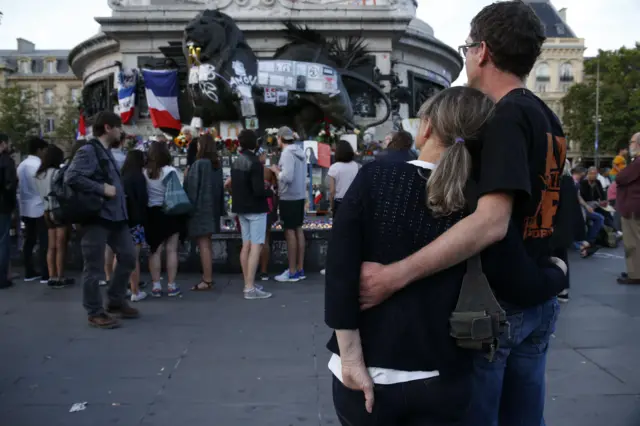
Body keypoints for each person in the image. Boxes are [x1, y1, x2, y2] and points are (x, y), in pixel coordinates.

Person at [357, 3, 567, 425]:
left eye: (467, 47)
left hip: (497, 306)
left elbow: (491, 222)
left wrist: (396, 274)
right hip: (538, 298)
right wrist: (557, 273)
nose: (467, 55)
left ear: (482, 51)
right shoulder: (547, 117)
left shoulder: (504, 117)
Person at [65, 111, 138, 329]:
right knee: (94, 268)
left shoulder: (104, 151)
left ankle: (115, 300)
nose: (120, 132)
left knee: (128, 256)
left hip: (115, 217)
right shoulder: (89, 150)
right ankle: (94, 311)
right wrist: (101, 189)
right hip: (97, 216)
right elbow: (72, 176)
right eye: (118, 128)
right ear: (108, 128)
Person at [229, 130, 274, 299]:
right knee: (256, 246)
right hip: (255, 209)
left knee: (246, 245)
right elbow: (257, 190)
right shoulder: (255, 163)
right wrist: (269, 192)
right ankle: (249, 287)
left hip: (241, 208)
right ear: (254, 143)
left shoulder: (237, 161)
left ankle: (248, 282)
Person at [184, 134, 225, 291]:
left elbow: (191, 190)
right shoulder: (216, 165)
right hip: (212, 209)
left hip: (200, 210)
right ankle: (208, 278)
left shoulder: (199, 164)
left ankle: (207, 279)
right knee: (207, 243)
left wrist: (186, 178)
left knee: (204, 246)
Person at [144, 141, 185, 298]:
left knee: (155, 250)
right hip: (170, 211)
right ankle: (171, 285)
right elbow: (178, 190)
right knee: (172, 250)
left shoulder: (145, 172)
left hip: (153, 212)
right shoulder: (170, 171)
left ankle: (155, 285)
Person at [271, 126, 307, 283]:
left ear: (280, 138)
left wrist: (275, 171)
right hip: (299, 195)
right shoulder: (299, 151)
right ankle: (299, 268)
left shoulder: (286, 154)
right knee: (298, 229)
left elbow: (287, 177)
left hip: (288, 197)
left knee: (289, 232)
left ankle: (292, 271)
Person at [34, 145, 71, 289]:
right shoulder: (56, 173)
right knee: (61, 246)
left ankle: (51, 275)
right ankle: (60, 276)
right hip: (58, 210)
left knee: (51, 246)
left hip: (45, 210)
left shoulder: (39, 174)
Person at [17, 136, 49, 282]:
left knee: (29, 240)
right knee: (44, 241)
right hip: (39, 206)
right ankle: (45, 272)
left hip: (25, 206)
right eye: (44, 150)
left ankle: (29, 271)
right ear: (39, 150)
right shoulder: (38, 165)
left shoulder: (21, 165)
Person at [121, 150, 149, 302]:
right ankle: (135, 290)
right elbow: (143, 199)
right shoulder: (139, 177)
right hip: (135, 222)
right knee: (134, 258)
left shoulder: (122, 176)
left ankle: (120, 287)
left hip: (121, 221)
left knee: (120, 257)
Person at [616, 132, 640, 285]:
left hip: (632, 205)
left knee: (632, 242)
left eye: (632, 141)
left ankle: (635, 274)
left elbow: (621, 177)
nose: (630, 145)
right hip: (636, 205)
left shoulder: (637, 162)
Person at [258, 148, 278, 282]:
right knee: (265, 239)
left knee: (249, 241)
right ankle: (264, 271)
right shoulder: (268, 171)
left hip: (250, 206)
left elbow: (228, 184)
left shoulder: (246, 170)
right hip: (267, 207)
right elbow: (276, 190)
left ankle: (249, 270)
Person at [0, 133, 17, 289]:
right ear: (3, 144)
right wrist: (12, 206)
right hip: (3, 206)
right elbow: (10, 185)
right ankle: (2, 277)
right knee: (3, 242)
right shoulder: (6, 161)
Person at [328, 141, 359, 217]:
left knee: (339, 227)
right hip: (354, 202)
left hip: (339, 203)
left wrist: (332, 207)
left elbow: (332, 191)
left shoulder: (334, 168)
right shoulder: (356, 166)